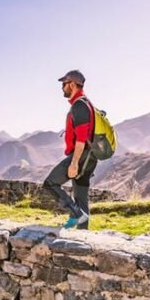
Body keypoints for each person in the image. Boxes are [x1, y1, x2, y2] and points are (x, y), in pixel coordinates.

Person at [43, 69, 98, 229]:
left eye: (64, 84)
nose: (62, 88)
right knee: (81, 197)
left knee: (50, 183)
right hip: (90, 156)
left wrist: (74, 163)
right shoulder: (86, 103)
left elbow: (81, 138)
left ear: (72, 84)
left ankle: (75, 214)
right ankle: (82, 234)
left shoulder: (79, 106)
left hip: (81, 156)